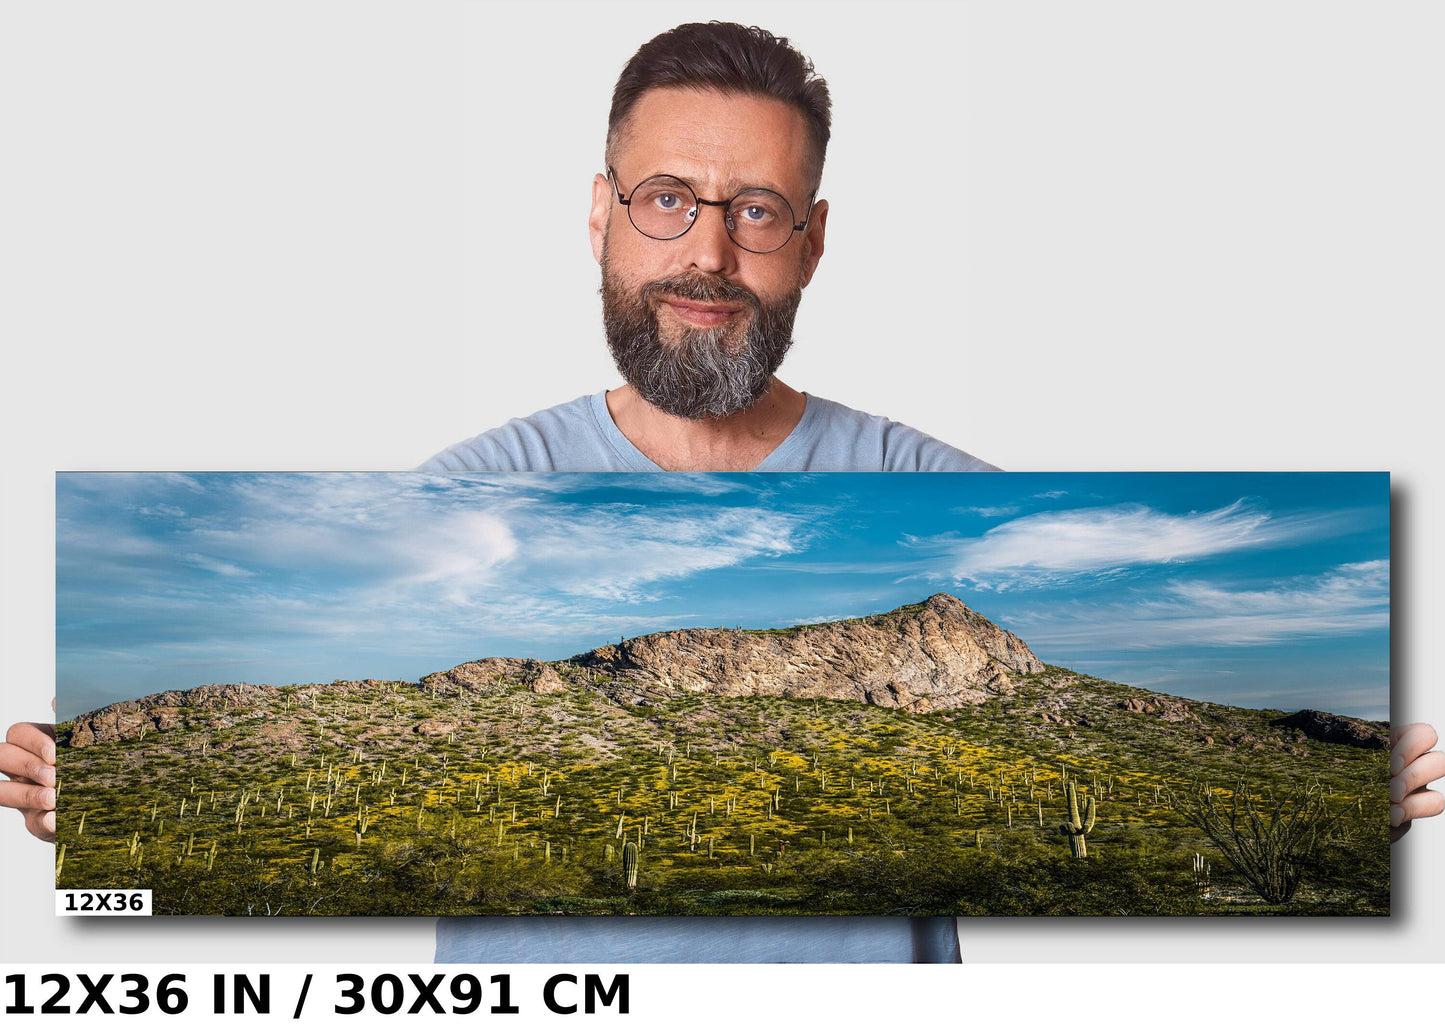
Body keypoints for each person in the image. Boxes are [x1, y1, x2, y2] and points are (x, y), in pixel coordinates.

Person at [6, 21, 1443, 962]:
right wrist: (118, 807)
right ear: (599, 214)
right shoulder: (458, 492)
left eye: (755, 211)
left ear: (810, 242)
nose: (708, 252)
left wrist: (1336, 805)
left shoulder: (947, 497)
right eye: (668, 199)